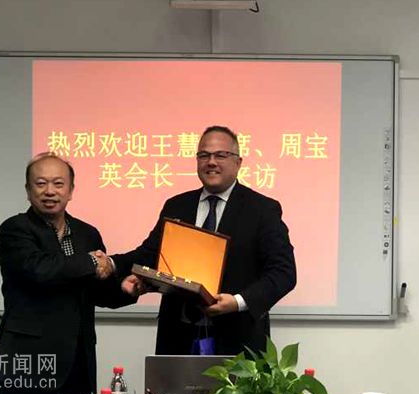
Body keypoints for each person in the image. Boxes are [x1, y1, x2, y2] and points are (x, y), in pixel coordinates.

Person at [116, 125, 296, 355]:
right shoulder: (176, 205)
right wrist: (116, 266)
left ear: (238, 162)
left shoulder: (262, 209)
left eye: (220, 155)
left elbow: (283, 272)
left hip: (237, 342)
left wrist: (238, 301)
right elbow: (151, 255)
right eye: (204, 155)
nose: (211, 162)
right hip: (178, 339)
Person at [0, 153, 138, 394]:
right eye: (41, 183)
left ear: (71, 190)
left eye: (58, 184)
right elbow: (40, 270)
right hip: (27, 361)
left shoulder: (88, 234)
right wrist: (92, 261)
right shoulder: (14, 229)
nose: (50, 191)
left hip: (76, 364)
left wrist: (124, 289)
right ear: (28, 190)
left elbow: (96, 290)